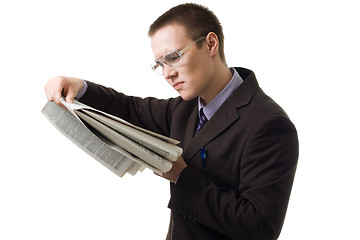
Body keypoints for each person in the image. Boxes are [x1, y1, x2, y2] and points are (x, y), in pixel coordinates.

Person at [44, 3, 298, 240]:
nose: (167, 73)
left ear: (210, 44)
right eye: (159, 64)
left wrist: (181, 175)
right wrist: (81, 86)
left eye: (174, 57)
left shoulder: (269, 125)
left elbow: (259, 227)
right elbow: (131, 108)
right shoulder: (184, 108)